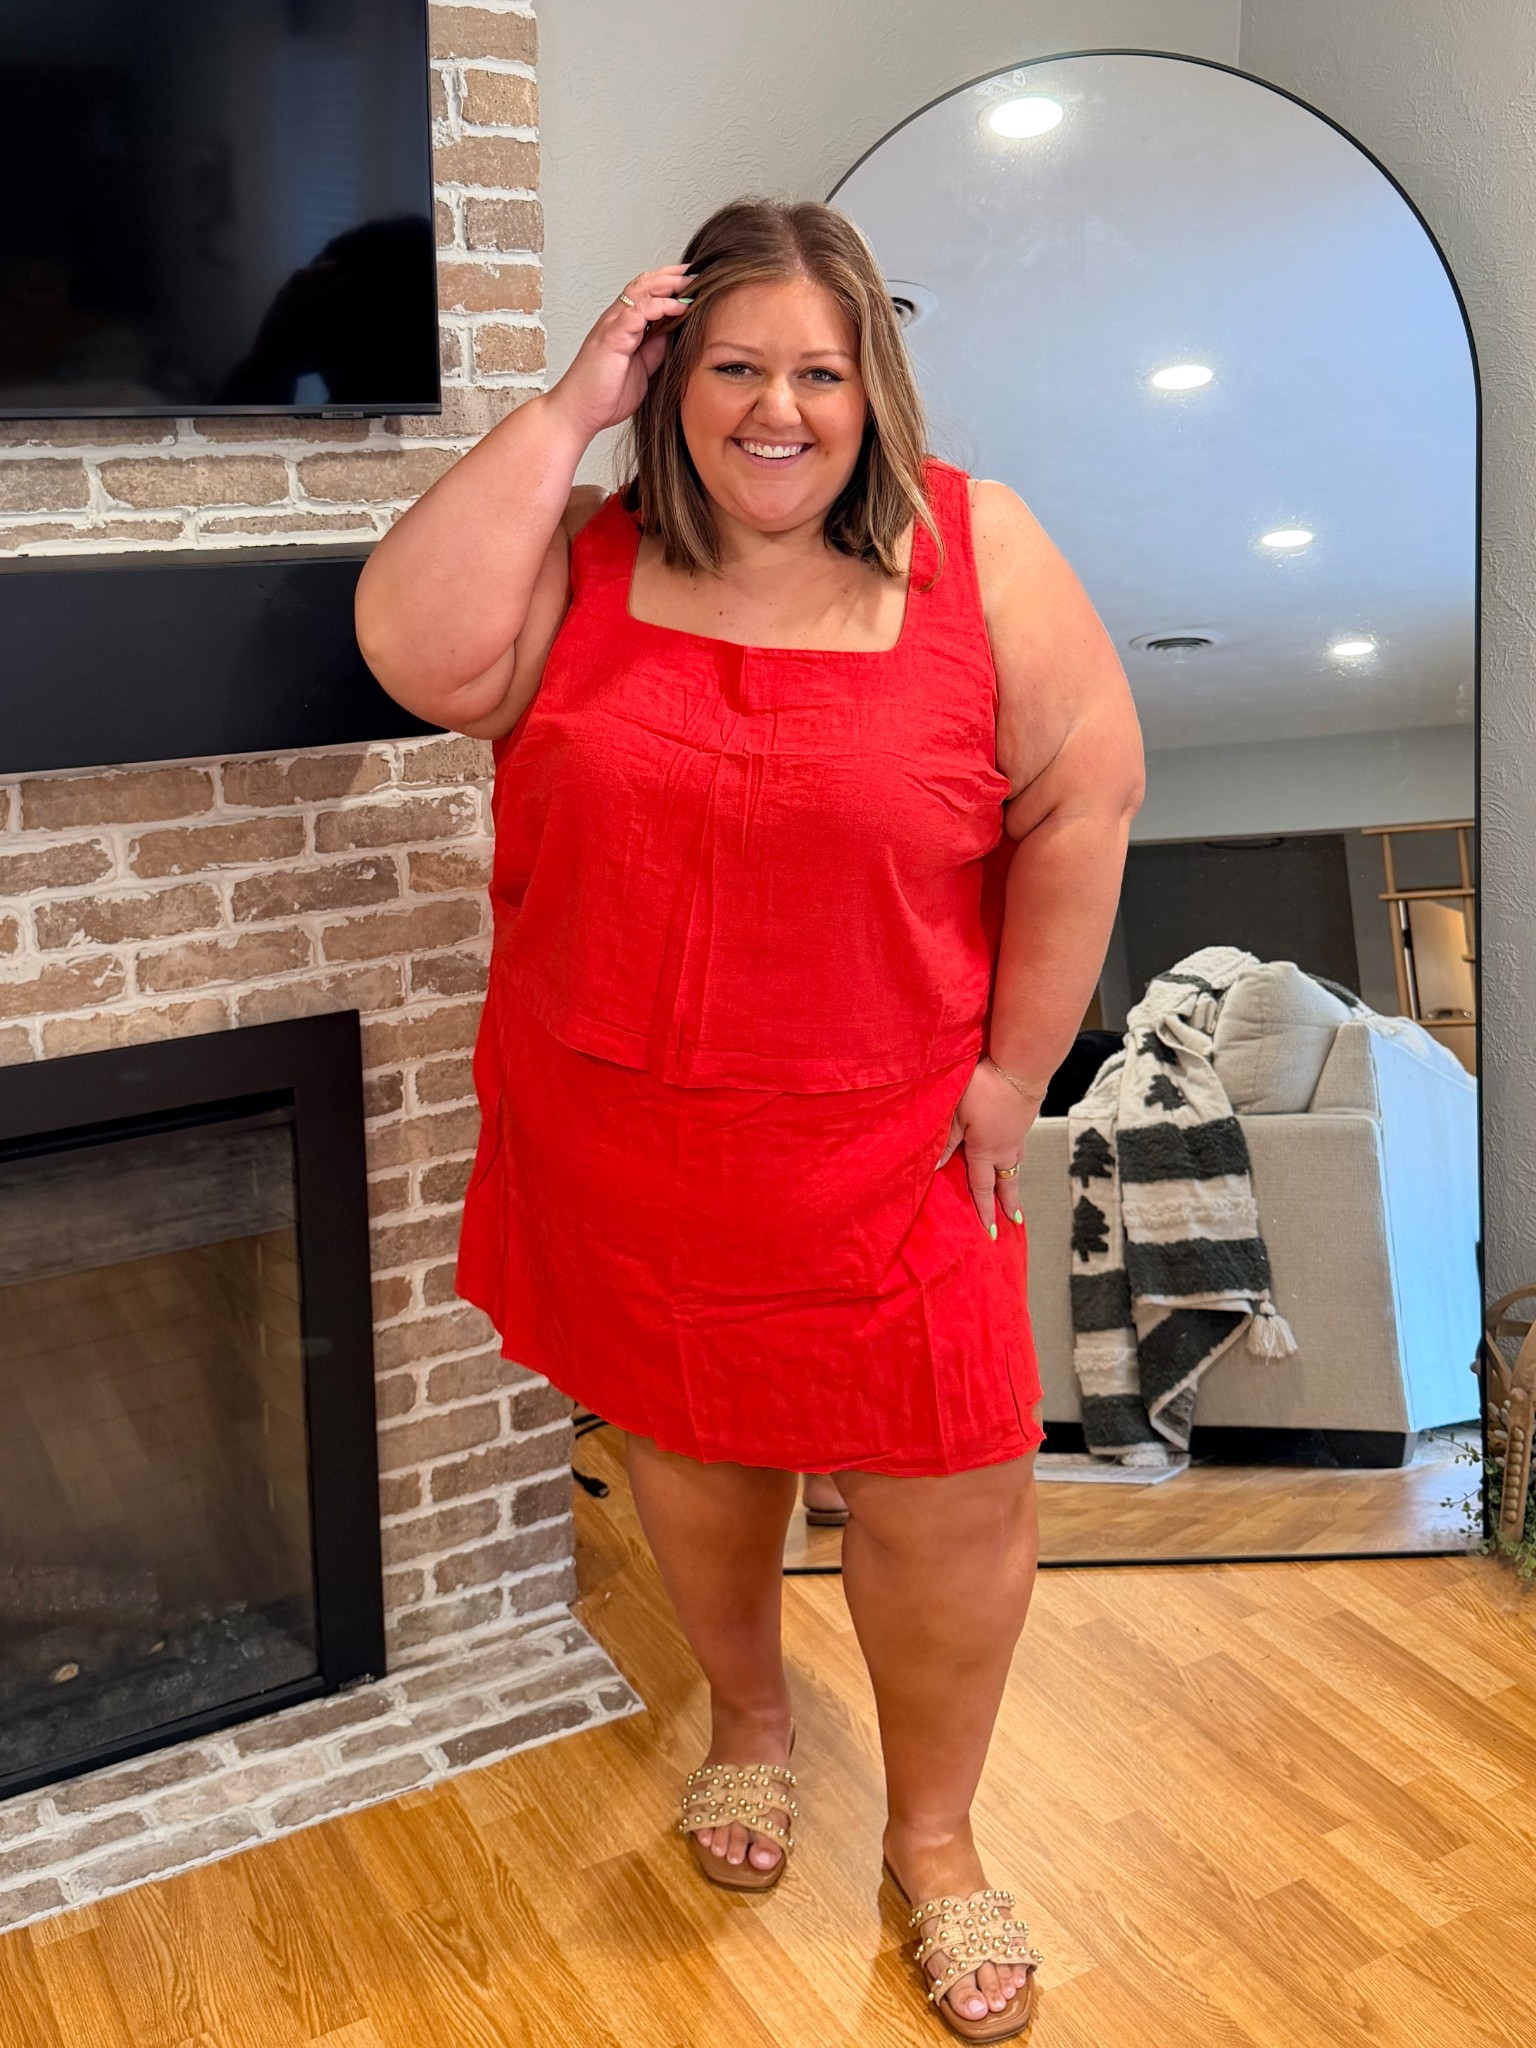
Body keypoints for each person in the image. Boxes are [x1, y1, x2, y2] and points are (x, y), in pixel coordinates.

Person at [356, 197, 1142, 2041]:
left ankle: (935, 1835)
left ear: (877, 393)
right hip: (629, 1138)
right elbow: (414, 652)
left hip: (897, 1148)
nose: (777, 410)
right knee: (693, 1455)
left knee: (949, 1494)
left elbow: (1082, 804)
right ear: (670, 381)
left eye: (820, 373)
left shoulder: (982, 553)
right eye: (731, 366)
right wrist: (570, 405)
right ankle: (752, 1714)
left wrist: (1016, 1072)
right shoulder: (583, 556)